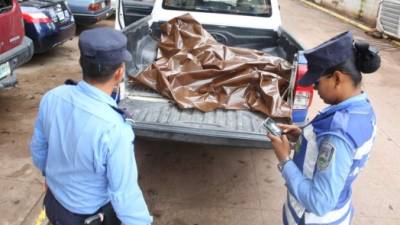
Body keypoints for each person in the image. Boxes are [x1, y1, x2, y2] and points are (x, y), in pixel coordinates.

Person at [30, 27, 153, 225]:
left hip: (54, 205)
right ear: (119, 73)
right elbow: (124, 196)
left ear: (82, 63)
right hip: (88, 219)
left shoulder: (52, 97)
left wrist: (51, 178)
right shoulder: (115, 129)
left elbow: (39, 150)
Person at [267, 31, 381, 225]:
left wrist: (285, 159)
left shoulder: (337, 134)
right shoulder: (361, 108)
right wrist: (304, 136)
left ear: (337, 78)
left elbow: (319, 202)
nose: (314, 89)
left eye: (317, 82)